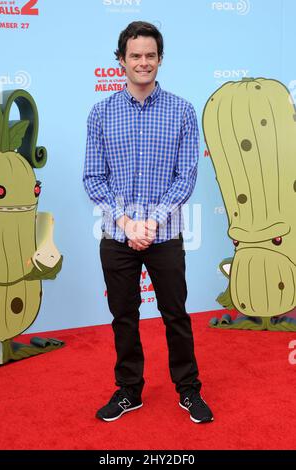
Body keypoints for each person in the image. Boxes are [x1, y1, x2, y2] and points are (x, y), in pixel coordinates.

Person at [83, 21, 213, 424]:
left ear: (160, 59)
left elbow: (185, 176)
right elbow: (93, 176)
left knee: (175, 313)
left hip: (165, 233)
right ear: (120, 60)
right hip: (116, 233)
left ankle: (188, 390)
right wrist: (125, 222)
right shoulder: (101, 113)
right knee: (124, 316)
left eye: (150, 56)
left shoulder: (182, 111)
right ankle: (129, 391)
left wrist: (152, 222)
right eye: (135, 56)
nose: (143, 62)